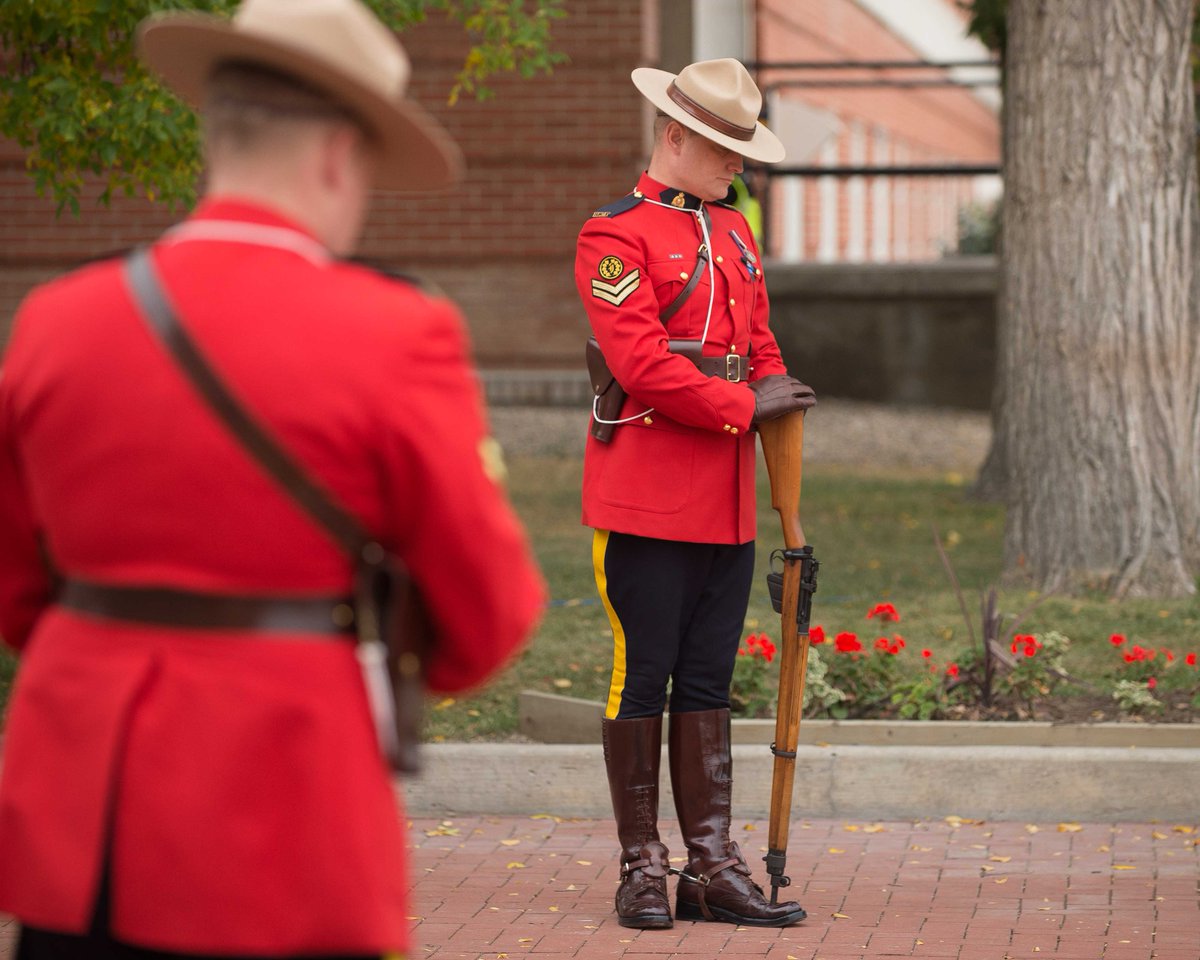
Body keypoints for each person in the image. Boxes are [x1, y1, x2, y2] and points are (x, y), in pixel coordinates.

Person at [0, 0, 546, 956]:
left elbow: (14, 589)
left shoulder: (55, 319)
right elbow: (485, 619)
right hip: (281, 816)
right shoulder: (395, 331)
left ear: (218, 136)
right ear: (339, 154)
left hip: (85, 821)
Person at [574, 58, 815, 930]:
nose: (734, 166)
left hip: (729, 501)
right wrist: (743, 406)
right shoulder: (614, 235)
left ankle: (710, 867)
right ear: (673, 136)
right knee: (643, 678)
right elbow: (639, 365)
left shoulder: (739, 235)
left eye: (740, 150)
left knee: (709, 680)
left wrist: (779, 406)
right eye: (720, 148)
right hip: (644, 494)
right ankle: (644, 865)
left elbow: (761, 345)